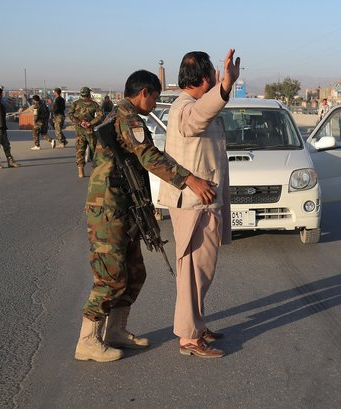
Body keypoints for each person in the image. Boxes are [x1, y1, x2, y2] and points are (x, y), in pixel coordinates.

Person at [74, 69, 215, 362]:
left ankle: (115, 331)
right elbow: (149, 157)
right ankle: (87, 340)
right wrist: (190, 180)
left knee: (135, 272)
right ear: (144, 93)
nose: (156, 102)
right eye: (156, 96)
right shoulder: (127, 118)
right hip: (108, 209)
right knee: (110, 276)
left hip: (123, 207)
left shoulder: (122, 116)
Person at [158, 49, 240, 359]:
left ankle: (196, 323)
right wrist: (225, 87)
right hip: (194, 204)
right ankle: (189, 338)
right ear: (206, 78)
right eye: (216, 76)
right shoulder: (185, 109)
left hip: (201, 203)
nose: (219, 78)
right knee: (193, 271)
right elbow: (197, 119)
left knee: (199, 271)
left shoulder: (190, 105)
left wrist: (222, 90)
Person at [68, 86, 103, 177]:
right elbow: (100, 116)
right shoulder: (94, 104)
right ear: (89, 94)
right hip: (90, 130)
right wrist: (90, 123)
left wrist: (80, 122)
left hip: (80, 131)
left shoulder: (75, 104)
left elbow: (70, 114)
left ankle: (81, 171)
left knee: (80, 150)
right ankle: (95, 170)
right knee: (94, 150)